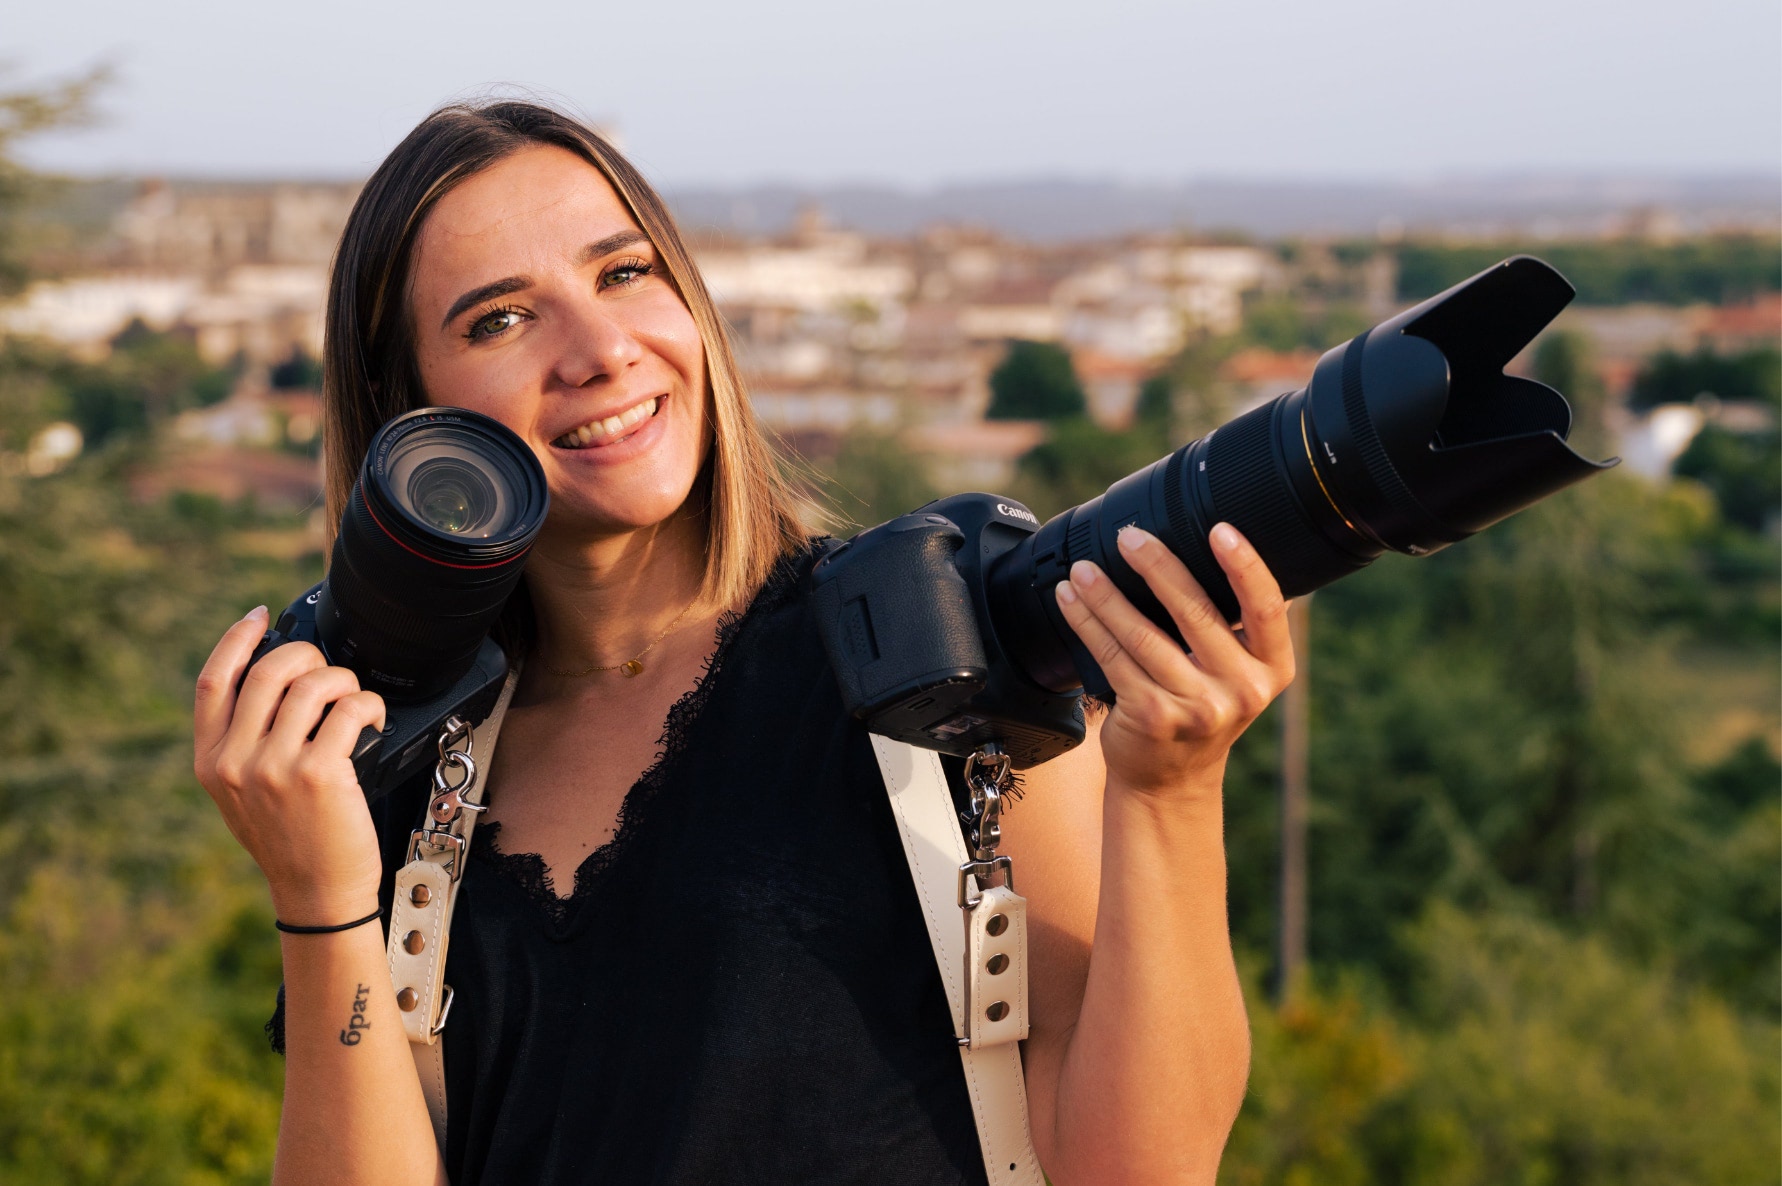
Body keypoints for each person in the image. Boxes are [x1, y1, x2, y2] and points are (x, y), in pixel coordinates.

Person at [192, 100, 1295, 1186]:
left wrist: (1171, 793)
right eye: (501, 319)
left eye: (624, 273)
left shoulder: (940, 653)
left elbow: (1141, 1169)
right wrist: (321, 887)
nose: (601, 349)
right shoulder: (398, 760)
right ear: (409, 413)